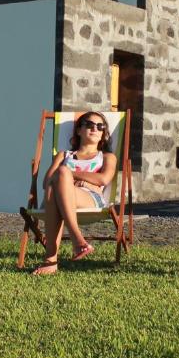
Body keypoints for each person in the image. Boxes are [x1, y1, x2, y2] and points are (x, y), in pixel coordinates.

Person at [32, 111, 118, 276]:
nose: (95, 128)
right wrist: (68, 177)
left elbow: (103, 179)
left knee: (62, 174)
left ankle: (52, 259)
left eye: (100, 127)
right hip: (57, 197)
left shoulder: (106, 157)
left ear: (104, 134)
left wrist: (71, 175)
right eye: (90, 125)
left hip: (89, 198)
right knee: (55, 183)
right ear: (79, 130)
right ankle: (76, 240)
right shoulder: (64, 155)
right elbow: (45, 183)